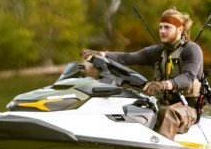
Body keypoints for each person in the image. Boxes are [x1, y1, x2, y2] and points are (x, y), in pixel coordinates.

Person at [81, 8, 204, 141]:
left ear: (180, 29)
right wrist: (101, 54)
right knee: (133, 107)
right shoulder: (156, 52)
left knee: (168, 113)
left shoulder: (192, 50)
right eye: (161, 27)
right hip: (161, 103)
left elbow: (188, 77)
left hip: (187, 108)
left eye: (167, 27)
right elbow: (128, 58)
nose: (162, 31)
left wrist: (164, 84)